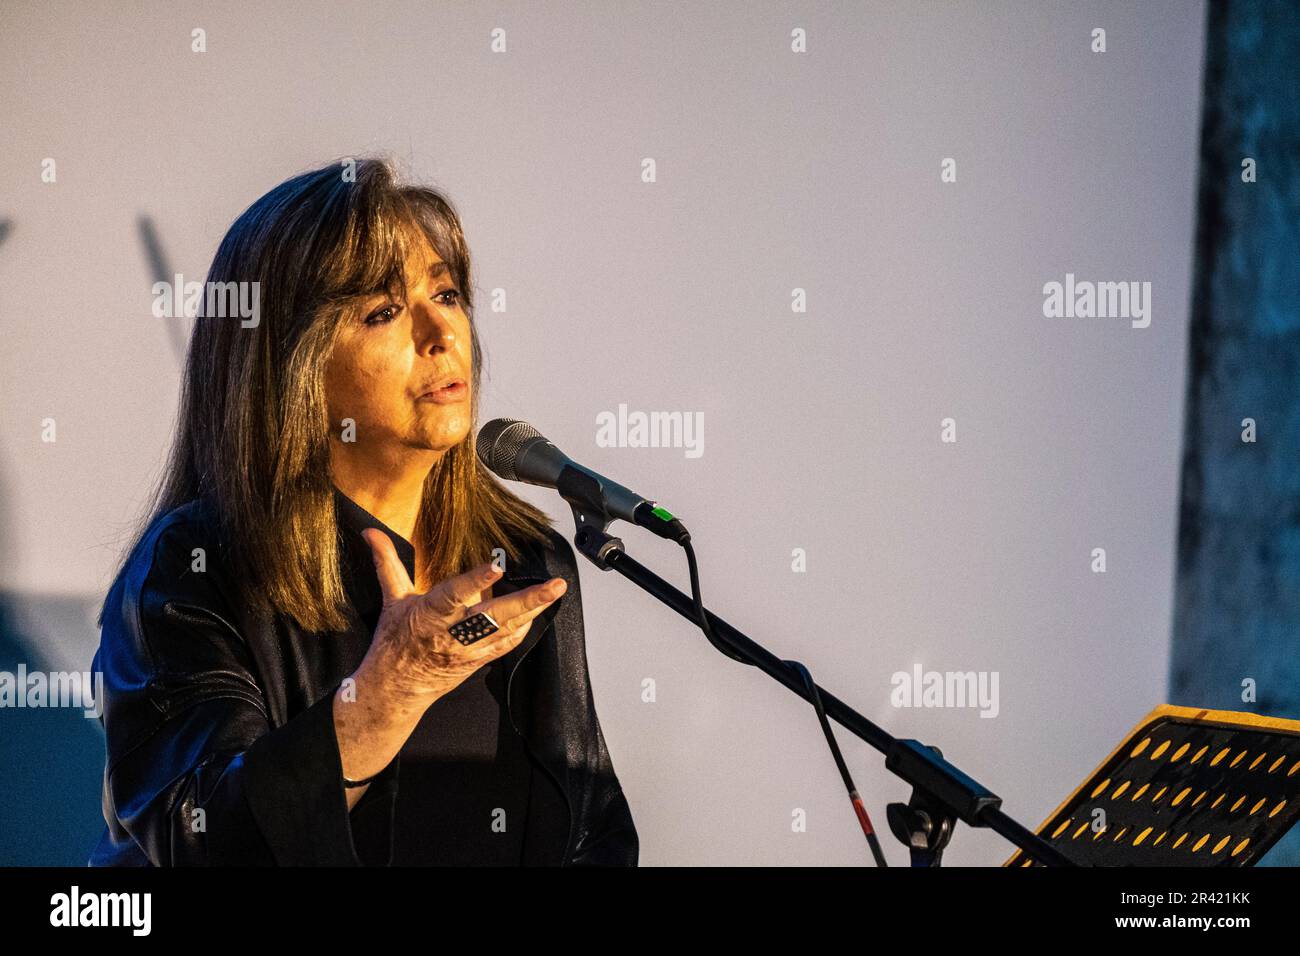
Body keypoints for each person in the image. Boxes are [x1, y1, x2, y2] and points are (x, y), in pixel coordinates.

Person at [88, 157, 638, 866]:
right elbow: (201, 839)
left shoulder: (524, 560)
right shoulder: (196, 566)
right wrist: (387, 694)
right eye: (382, 312)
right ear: (293, 367)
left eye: (445, 292)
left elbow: (594, 831)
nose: (441, 332)